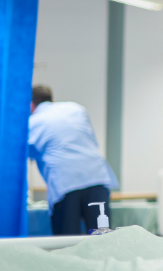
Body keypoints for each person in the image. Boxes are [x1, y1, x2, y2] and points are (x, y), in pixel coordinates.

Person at [28, 85, 118, 234]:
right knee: (102, 238)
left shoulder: (33, 122)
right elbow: (90, 140)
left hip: (66, 185)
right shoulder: (76, 109)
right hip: (97, 178)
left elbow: (22, 154)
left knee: (67, 242)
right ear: (53, 100)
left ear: (31, 105)